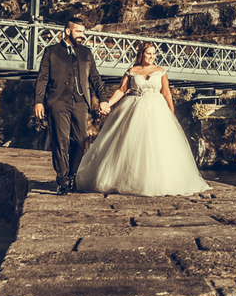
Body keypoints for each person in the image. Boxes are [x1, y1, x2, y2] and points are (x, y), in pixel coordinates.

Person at [75, 41, 211, 197]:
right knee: (131, 144)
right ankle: (129, 180)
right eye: (149, 53)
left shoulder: (160, 71)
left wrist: (172, 114)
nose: (152, 57)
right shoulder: (132, 71)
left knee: (158, 146)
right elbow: (121, 90)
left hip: (157, 111)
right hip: (134, 109)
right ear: (141, 54)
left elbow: (166, 93)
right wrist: (107, 104)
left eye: (154, 54)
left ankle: (159, 181)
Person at [32, 17, 112, 194]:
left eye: (83, 32)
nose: (82, 35)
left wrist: (103, 98)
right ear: (68, 31)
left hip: (81, 102)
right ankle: (62, 180)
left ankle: (73, 175)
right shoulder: (51, 52)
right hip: (58, 101)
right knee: (60, 141)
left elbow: (95, 78)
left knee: (80, 140)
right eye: (78, 31)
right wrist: (39, 101)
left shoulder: (86, 53)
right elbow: (42, 78)